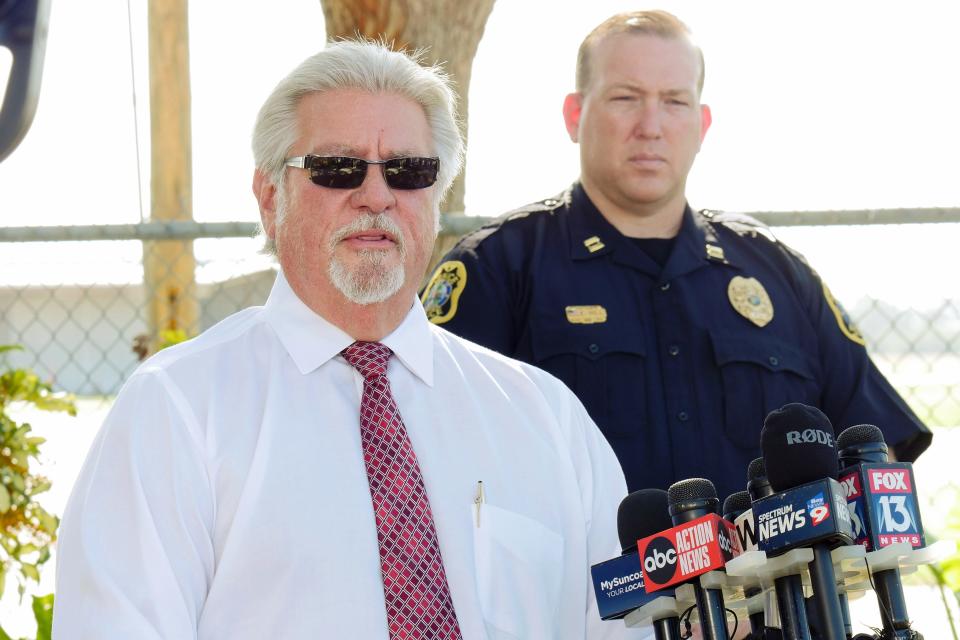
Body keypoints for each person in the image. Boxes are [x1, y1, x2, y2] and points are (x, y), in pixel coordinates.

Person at [53, 41, 635, 639]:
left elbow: (627, 628)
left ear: (436, 197)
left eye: (408, 171)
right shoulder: (176, 410)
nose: (376, 195)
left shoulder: (547, 417)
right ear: (269, 196)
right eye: (337, 168)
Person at [422, 10, 931, 502]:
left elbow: (875, 445)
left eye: (674, 102)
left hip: (768, 591)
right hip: (581, 591)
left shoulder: (777, 274)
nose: (651, 125)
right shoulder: (496, 270)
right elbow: (426, 449)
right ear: (574, 115)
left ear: (702, 124)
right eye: (625, 97)